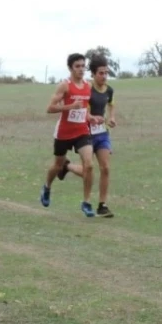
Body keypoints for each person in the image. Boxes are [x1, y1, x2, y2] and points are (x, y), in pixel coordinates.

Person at [40, 53, 99, 217]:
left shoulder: (88, 86)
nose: (81, 69)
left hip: (81, 130)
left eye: (83, 66)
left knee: (89, 165)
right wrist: (70, 106)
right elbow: (50, 108)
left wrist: (90, 117)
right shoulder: (64, 86)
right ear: (70, 68)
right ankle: (47, 187)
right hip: (64, 132)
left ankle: (86, 202)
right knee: (57, 165)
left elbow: (84, 109)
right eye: (77, 66)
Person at [57, 55, 116, 217]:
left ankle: (102, 205)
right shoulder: (87, 89)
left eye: (106, 73)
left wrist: (111, 118)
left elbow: (111, 104)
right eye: (101, 73)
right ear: (93, 74)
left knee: (106, 168)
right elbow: (83, 109)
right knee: (88, 170)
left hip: (102, 133)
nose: (104, 76)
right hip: (85, 132)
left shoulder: (109, 90)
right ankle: (67, 167)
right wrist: (90, 117)